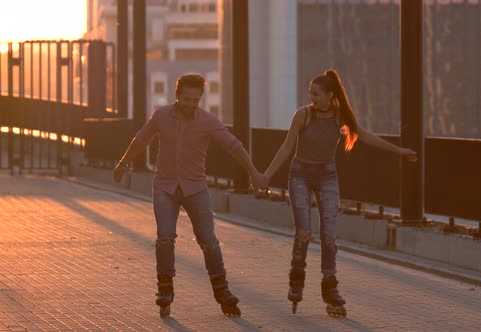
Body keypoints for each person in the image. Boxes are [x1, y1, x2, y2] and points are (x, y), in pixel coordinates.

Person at [261, 69, 417, 317]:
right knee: (303, 232)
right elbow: (287, 146)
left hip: (327, 176)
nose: (312, 97)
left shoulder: (340, 116)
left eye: (316, 93)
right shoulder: (303, 115)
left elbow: (365, 137)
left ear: (330, 95)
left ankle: (330, 288)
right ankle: (296, 277)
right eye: (310, 93)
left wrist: (399, 151)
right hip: (300, 175)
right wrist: (267, 175)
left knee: (329, 236)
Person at [113, 73, 265, 318]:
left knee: (208, 240)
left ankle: (222, 291)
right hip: (165, 187)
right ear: (177, 95)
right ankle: (165, 290)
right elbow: (141, 139)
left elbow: (233, 146)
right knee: (165, 237)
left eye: (196, 100)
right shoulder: (161, 115)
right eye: (186, 99)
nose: (191, 105)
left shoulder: (208, 121)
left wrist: (254, 173)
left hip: (196, 188)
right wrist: (122, 163)